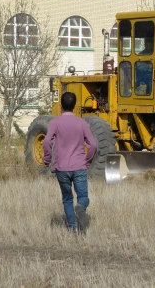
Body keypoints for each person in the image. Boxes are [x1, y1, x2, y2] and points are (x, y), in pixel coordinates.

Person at [43, 92, 96, 233]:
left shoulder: (54, 122)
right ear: (75, 105)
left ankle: (73, 229)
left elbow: (47, 140)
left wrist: (47, 158)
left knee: (67, 199)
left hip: (61, 168)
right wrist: (88, 160)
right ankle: (80, 207)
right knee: (83, 197)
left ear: (61, 105)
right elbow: (93, 145)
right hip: (79, 166)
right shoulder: (82, 123)